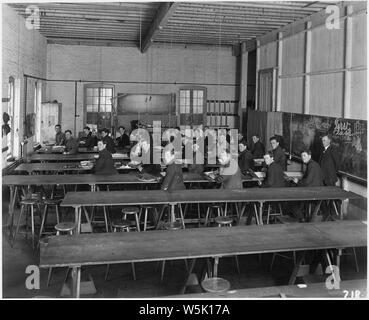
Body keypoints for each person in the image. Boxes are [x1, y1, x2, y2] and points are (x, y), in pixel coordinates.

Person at [290, 150, 323, 222]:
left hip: (313, 192)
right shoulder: (312, 164)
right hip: (314, 189)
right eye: (302, 156)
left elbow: (308, 181)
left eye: (304, 156)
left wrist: (298, 181)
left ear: (309, 156)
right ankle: (302, 216)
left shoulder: (312, 166)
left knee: (292, 201)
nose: (303, 158)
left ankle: (301, 218)